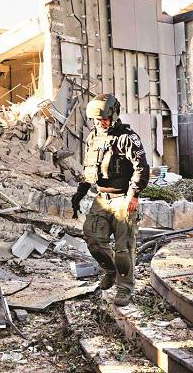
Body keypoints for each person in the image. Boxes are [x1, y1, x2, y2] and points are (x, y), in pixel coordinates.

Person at [71, 94, 149, 306]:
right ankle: (110, 271)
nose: (101, 123)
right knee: (93, 239)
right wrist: (80, 193)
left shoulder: (127, 137)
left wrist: (133, 196)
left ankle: (125, 288)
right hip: (101, 199)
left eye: (104, 119)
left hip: (123, 199)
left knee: (124, 250)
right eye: (97, 120)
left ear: (114, 115)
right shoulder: (93, 138)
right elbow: (89, 169)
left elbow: (141, 168)